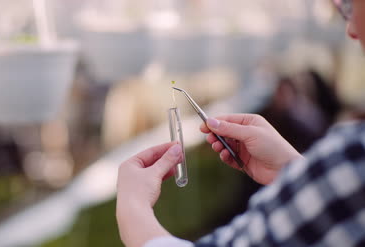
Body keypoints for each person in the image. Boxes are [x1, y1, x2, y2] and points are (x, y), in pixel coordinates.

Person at [116, 0, 365, 246]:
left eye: (351, 6)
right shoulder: (350, 161)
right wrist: (291, 168)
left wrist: (132, 207)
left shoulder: (353, 154)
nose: (350, 29)